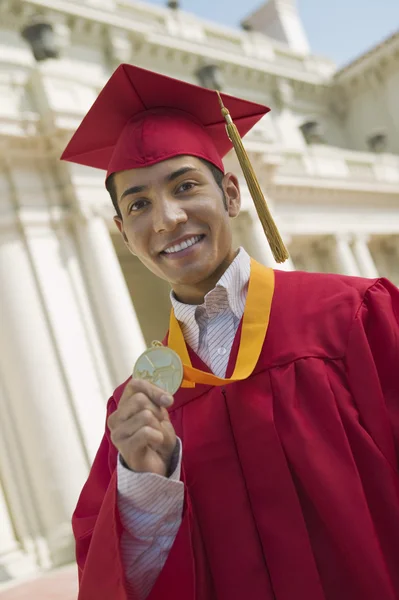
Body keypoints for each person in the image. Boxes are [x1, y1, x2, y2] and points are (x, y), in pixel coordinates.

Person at [61, 64, 399, 600]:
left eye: (186, 186)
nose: (167, 218)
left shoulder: (353, 316)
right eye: (139, 205)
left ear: (233, 194)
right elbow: (120, 580)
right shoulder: (138, 411)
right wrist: (148, 484)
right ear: (125, 235)